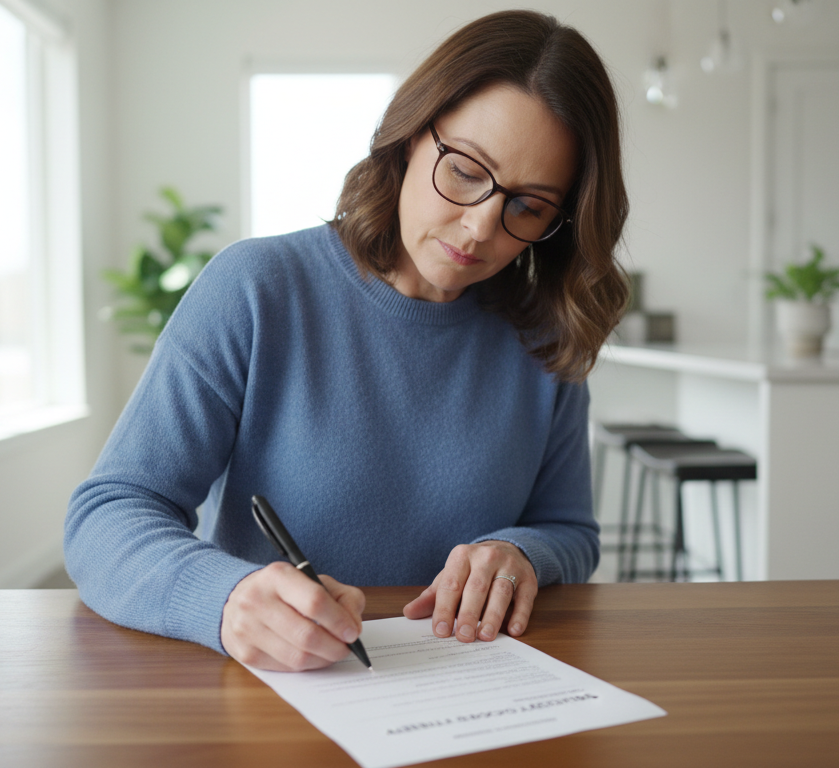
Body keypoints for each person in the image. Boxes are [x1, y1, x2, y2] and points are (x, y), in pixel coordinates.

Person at [65, 9, 629, 672]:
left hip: (468, 690)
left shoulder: (544, 338)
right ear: (411, 135)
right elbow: (107, 515)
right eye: (465, 171)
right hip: (276, 690)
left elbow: (569, 530)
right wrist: (226, 599)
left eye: (528, 206)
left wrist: (521, 553)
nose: (481, 227)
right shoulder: (255, 290)